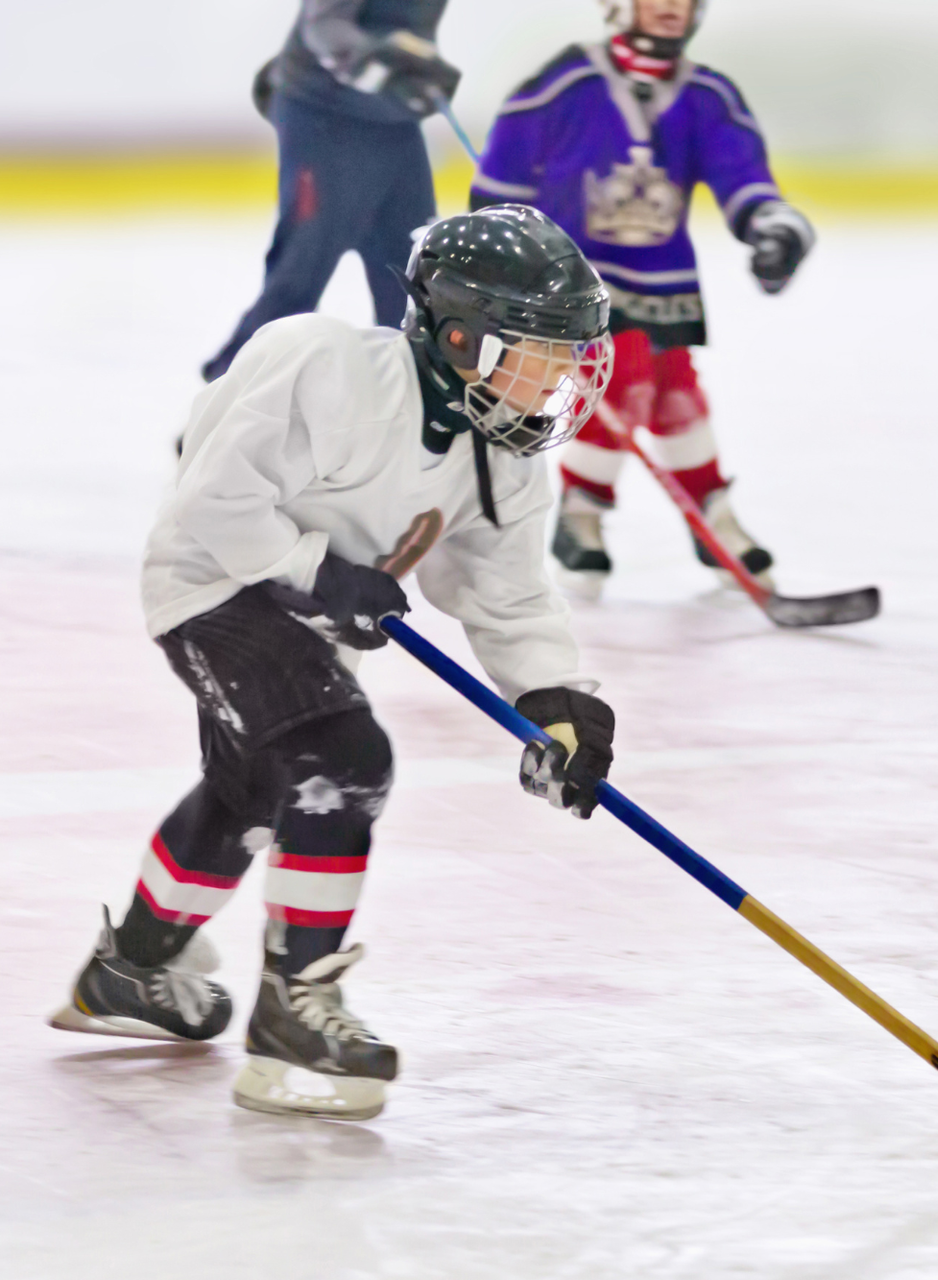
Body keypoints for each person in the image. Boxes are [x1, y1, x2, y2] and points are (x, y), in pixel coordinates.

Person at [50, 206, 620, 1123]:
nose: (560, 379)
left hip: (303, 618)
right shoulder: (325, 365)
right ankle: (293, 1009)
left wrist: (555, 699)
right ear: (461, 335)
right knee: (339, 762)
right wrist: (318, 569)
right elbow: (215, 499)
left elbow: (506, 596)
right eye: (539, 351)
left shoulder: (501, 455)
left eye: (570, 355)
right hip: (214, 582)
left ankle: (133, 971)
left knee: (249, 788)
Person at [470, 0, 816, 592]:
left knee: (675, 389)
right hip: (575, 277)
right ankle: (585, 511)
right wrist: (500, 248)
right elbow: (502, 175)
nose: (671, 8)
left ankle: (709, 510)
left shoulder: (707, 94)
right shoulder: (568, 81)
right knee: (623, 379)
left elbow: (744, 174)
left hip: (664, 278)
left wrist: (772, 227)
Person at [200, 0, 462, 383]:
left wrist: (417, 70)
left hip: (390, 120)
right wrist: (376, 64)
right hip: (324, 116)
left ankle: (412, 405)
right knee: (302, 269)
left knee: (413, 276)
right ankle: (229, 396)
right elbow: (325, 26)